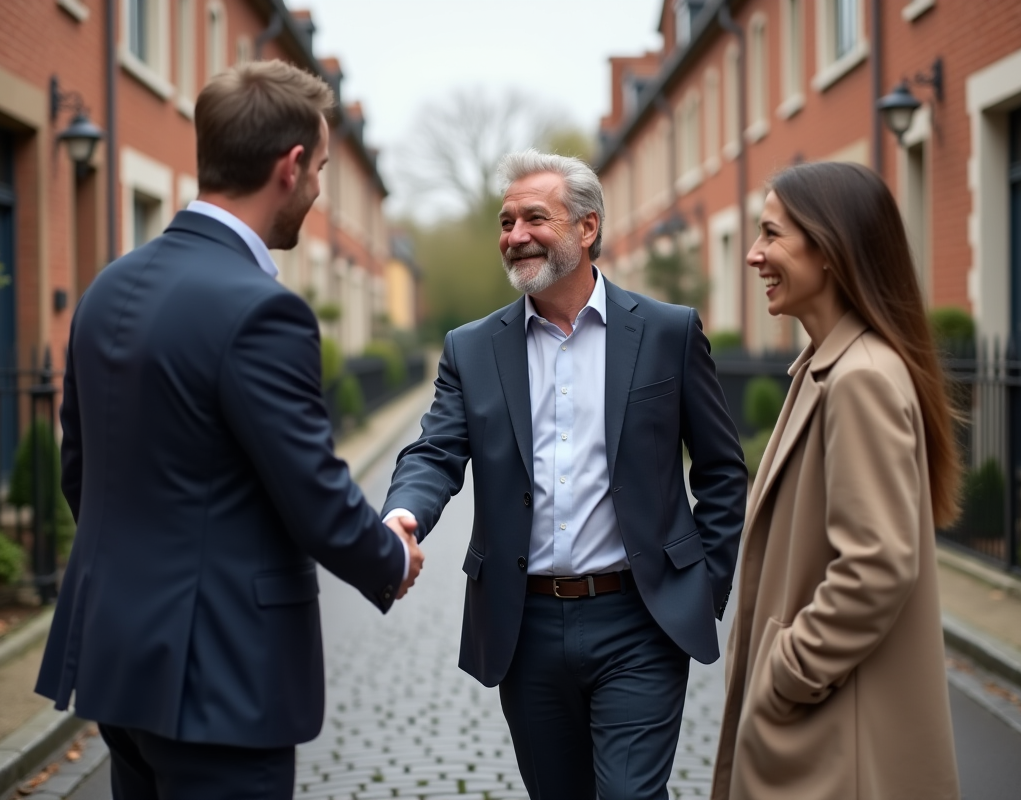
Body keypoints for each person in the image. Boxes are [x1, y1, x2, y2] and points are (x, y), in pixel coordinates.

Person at [35, 60, 424, 800]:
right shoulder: (261, 310)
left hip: (118, 660)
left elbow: (80, 473)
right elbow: (312, 491)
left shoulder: (108, 287)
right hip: (219, 678)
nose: (319, 191)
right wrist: (389, 555)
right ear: (291, 165)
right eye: (321, 171)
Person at [382, 149, 747, 800]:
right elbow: (435, 451)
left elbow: (721, 471)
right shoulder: (472, 348)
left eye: (534, 218)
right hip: (525, 625)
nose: (515, 235)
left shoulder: (667, 333)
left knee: (631, 794)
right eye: (506, 222)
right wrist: (404, 513)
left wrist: (702, 587)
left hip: (640, 619)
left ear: (587, 226)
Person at [713, 161, 961, 799]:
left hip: (833, 743)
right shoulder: (829, 368)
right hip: (825, 730)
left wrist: (787, 672)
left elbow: (876, 566)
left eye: (771, 234)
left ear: (829, 249)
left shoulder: (860, 378)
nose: (754, 254)